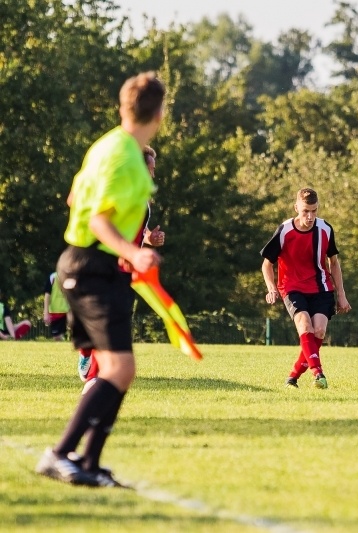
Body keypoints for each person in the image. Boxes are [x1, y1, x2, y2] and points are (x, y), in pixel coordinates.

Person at [35, 72, 165, 487]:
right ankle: (60, 454)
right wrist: (135, 251)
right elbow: (96, 217)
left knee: (112, 368)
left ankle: (88, 464)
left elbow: (76, 197)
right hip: (93, 266)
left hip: (90, 265)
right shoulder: (127, 156)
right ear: (159, 113)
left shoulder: (108, 144)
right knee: (120, 368)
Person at [76, 145, 165, 383]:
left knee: (110, 323)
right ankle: (89, 359)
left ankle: (95, 375)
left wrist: (149, 238)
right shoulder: (119, 190)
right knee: (96, 322)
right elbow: (103, 223)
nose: (153, 175)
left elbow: (134, 227)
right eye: (151, 169)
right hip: (103, 264)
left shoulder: (142, 198)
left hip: (125, 270)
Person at [260, 188, 352, 389]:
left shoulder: (325, 229)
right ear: (296, 208)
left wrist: (341, 295)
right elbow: (267, 264)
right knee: (304, 325)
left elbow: (334, 263)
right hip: (292, 287)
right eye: (305, 211)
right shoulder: (284, 231)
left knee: (318, 331)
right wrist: (271, 288)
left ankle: (292, 378)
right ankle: (318, 374)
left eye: (314, 211)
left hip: (321, 286)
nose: (310, 216)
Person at [44, 272, 70, 341]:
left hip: (67, 311)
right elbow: (47, 295)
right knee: (57, 337)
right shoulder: (53, 277)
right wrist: (46, 313)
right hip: (55, 312)